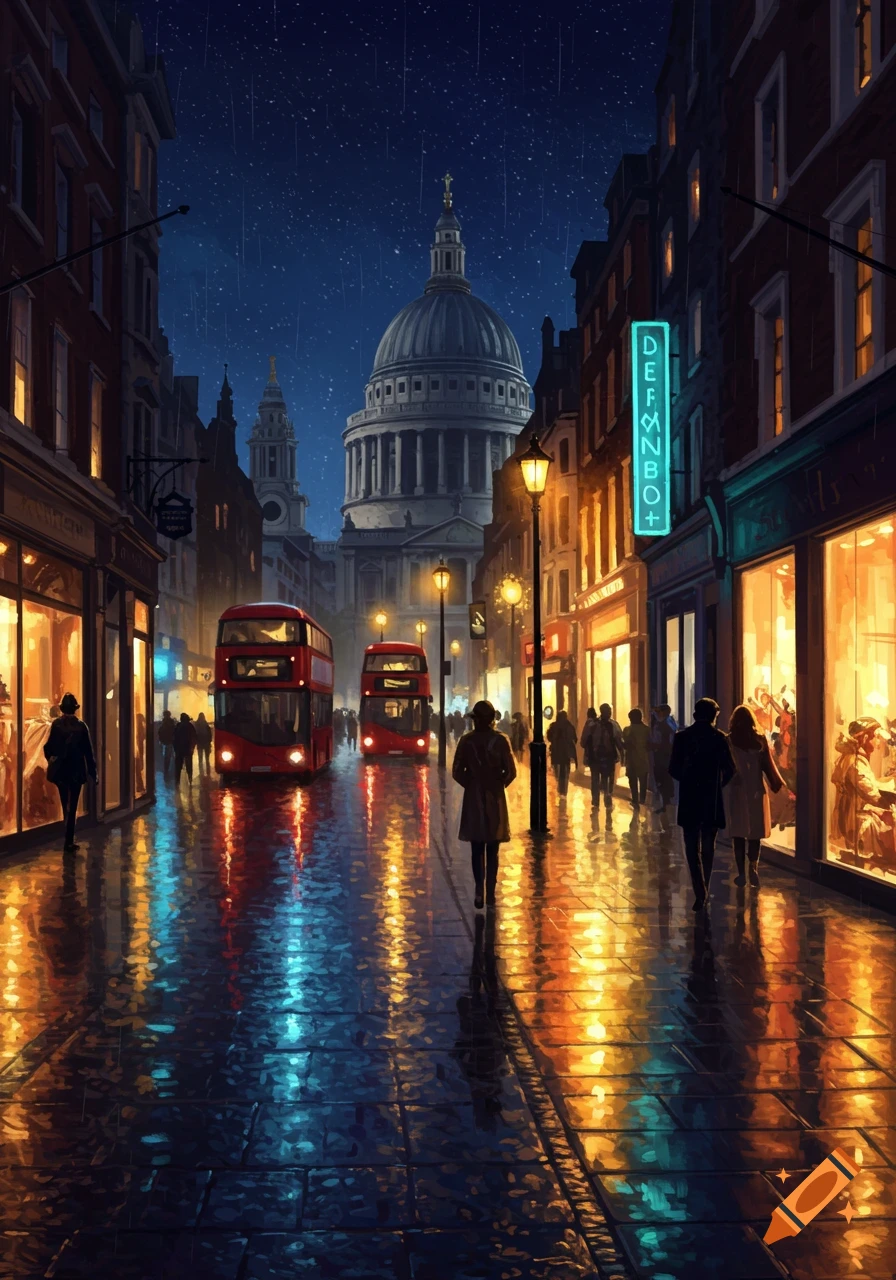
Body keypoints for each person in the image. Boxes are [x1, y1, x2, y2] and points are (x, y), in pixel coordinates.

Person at [668, 698, 736, 911]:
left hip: (690, 797)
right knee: (708, 846)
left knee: (691, 847)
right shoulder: (719, 738)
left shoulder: (682, 738)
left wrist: (688, 780)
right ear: (714, 715)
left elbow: (673, 768)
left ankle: (700, 890)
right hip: (711, 799)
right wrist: (717, 784)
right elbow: (730, 769)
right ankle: (704, 887)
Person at [452, 700, 517, 910]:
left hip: (474, 799)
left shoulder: (466, 741)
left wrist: (471, 785)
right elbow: (511, 771)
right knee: (493, 848)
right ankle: (491, 891)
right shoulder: (501, 741)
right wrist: (498, 786)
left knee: (477, 848)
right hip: (495, 799)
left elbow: (456, 771)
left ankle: (479, 890)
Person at [726, 704, 788, 887]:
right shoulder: (760, 741)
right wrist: (777, 784)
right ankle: (753, 867)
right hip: (756, 790)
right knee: (755, 833)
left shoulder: (729, 741)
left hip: (737, 791)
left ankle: (740, 872)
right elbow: (768, 766)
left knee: (738, 833)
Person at [830, 717, 896, 864]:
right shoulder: (855, 762)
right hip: (852, 819)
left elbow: (868, 784)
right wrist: (889, 799)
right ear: (865, 738)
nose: (878, 742)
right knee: (890, 818)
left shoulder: (852, 758)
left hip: (852, 812)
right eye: (875, 737)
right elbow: (871, 794)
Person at [43, 693, 97, 852]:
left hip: (61, 770)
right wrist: (93, 772)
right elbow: (88, 752)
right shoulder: (81, 726)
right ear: (75, 709)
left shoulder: (57, 725)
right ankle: (69, 839)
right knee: (72, 805)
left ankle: (67, 835)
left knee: (64, 801)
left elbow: (48, 747)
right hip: (76, 770)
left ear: (62, 709)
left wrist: (51, 759)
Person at [581, 704, 624, 808]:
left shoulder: (593, 725)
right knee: (605, 778)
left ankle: (599, 799)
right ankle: (606, 796)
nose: (609, 713)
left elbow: (583, 742)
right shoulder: (612, 725)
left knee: (598, 779)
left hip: (599, 757)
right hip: (603, 757)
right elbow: (619, 741)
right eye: (608, 711)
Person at [649, 704, 677, 813]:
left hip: (663, 756)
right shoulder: (664, 723)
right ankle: (665, 803)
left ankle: (666, 803)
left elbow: (666, 743)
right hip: (662, 755)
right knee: (661, 779)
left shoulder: (666, 725)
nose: (656, 713)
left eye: (658, 711)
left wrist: (654, 746)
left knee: (663, 778)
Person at [622, 709, 651, 808]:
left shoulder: (627, 730)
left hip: (631, 760)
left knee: (632, 781)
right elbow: (650, 745)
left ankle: (635, 800)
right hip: (643, 759)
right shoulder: (647, 730)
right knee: (643, 781)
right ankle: (642, 799)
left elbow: (625, 745)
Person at [547, 709, 577, 798]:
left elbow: (549, 737)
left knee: (557, 770)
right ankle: (563, 791)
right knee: (565, 772)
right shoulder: (569, 726)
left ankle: (560, 789)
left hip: (556, 751)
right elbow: (575, 738)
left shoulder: (553, 726)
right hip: (565, 752)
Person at [173, 712, 198, 786]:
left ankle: (177, 782)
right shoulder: (190, 726)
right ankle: (190, 780)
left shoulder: (178, 726)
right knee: (189, 766)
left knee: (178, 767)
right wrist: (192, 747)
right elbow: (194, 737)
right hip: (187, 750)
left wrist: (175, 748)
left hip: (179, 750)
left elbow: (174, 738)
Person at [158, 710, 175, 778]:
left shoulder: (163, 722)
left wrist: (161, 740)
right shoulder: (171, 722)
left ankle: (166, 769)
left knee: (166, 756)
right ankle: (172, 769)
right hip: (171, 741)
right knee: (171, 755)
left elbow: (160, 732)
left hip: (165, 741)